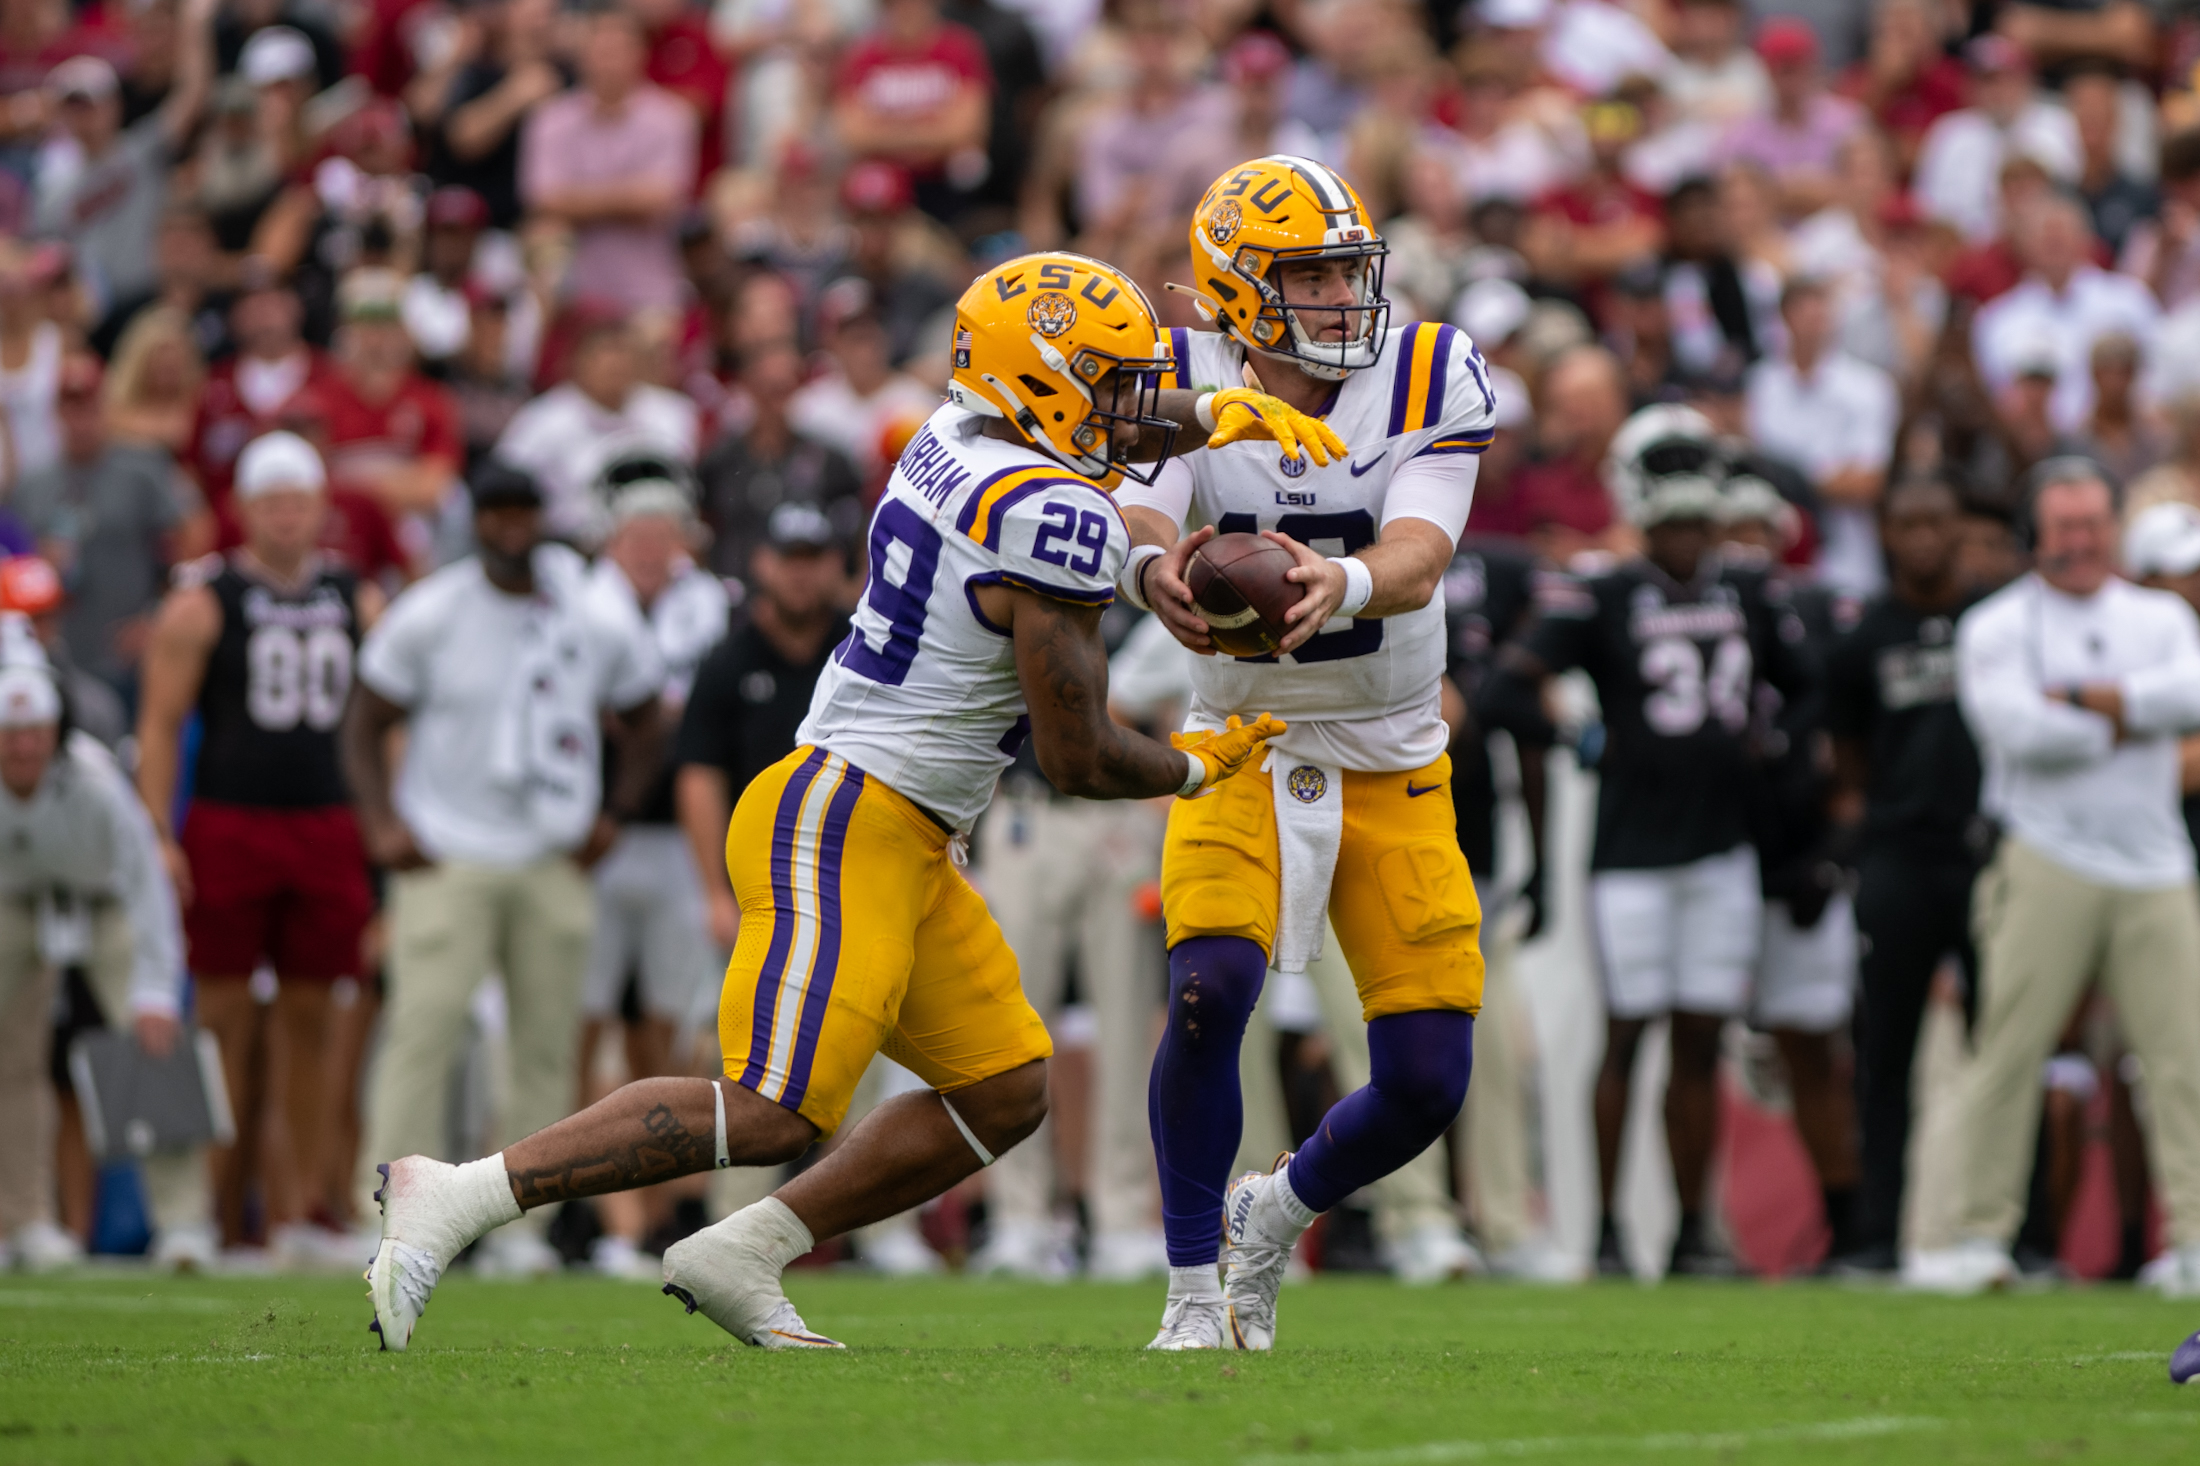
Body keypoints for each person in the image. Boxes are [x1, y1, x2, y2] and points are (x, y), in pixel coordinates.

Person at [363, 251, 1320, 1351]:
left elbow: (1095, 438)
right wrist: (1197, 764)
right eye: (1108, 382)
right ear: (1045, 385)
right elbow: (1079, 755)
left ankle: (745, 1248)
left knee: (1002, 1085)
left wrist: (1215, 410)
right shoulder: (1053, 516)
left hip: (903, 824)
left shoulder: (953, 433)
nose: (1131, 407)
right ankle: (462, 1191)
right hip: (849, 812)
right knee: (776, 1106)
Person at [1117, 156, 1494, 1349]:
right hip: (1239, 739)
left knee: (1429, 1073)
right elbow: (1139, 505)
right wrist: (1150, 568)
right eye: (1310, 274)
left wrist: (1341, 581)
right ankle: (1187, 1289)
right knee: (1204, 987)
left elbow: (1423, 552)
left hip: (1389, 744)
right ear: (1232, 289)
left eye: (1347, 267)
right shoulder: (1180, 376)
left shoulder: (1431, 367)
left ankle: (1271, 1212)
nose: (1341, 294)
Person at [1479, 469, 1813, 1278]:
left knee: (1701, 1038)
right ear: (1644, 527)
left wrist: (1771, 747)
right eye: (1674, 525)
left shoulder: (1749, 594)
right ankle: (1603, 1231)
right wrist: (1583, 738)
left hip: (1722, 848)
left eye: (1702, 523)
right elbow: (1504, 689)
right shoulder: (1607, 594)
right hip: (1630, 854)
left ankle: (1693, 1229)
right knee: (1628, 1034)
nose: (1690, 540)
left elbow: (1811, 692)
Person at [343, 460, 668, 1279]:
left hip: (552, 855)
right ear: (476, 521)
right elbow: (365, 715)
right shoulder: (434, 610)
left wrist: (616, 815)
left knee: (544, 1047)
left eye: (525, 510)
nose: (512, 526)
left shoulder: (591, 610)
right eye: (497, 512)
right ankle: (388, 1214)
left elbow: (648, 714)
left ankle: (521, 1228)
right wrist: (382, 823)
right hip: (446, 853)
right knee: (426, 1031)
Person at [1908, 462, 2200, 1296]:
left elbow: (2193, 694)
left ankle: (2193, 1238)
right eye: (2065, 526)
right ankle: (1977, 1235)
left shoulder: (2160, 615)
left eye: (2094, 523)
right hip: (2044, 856)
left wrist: (2083, 698)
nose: (2081, 542)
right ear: (2037, 534)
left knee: (2184, 1058)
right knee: (2008, 1050)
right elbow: (2016, 731)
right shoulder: (1997, 624)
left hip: (2155, 862)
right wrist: (2131, 719)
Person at [133, 431, 382, 1260]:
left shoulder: (359, 595)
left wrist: (384, 819)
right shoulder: (205, 600)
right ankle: (199, 1210)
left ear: (320, 507)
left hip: (325, 820)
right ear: (243, 509)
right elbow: (161, 724)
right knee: (220, 1017)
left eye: (298, 499)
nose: (284, 514)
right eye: (270, 500)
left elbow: (388, 721)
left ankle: (297, 1208)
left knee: (315, 1019)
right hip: (230, 820)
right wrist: (156, 833)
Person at [0, 619, 212, 1270]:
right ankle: (24, 1220)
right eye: (10, 735)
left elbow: (147, 884)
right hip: (13, 904)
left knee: (152, 1040)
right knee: (13, 1063)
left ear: (56, 731)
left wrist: (155, 989)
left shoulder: (95, 783)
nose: (24, 749)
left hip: (105, 907)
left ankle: (184, 1223)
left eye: (35, 732)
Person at [1820, 475, 1982, 1274]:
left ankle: (2022, 1237)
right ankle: (1880, 1237)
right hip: (1899, 858)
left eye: (1935, 521)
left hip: (1987, 856)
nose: (1922, 537)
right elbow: (1845, 755)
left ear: (1959, 529)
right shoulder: (1863, 637)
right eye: (1906, 523)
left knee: (2008, 1050)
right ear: (1885, 532)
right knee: (1887, 1052)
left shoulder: (1996, 622)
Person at [574, 452, 730, 1279]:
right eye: (636, 531)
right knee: (582, 1016)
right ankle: (597, 1210)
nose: (648, 545)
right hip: (593, 836)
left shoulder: (708, 608)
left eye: (662, 532)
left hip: (678, 836)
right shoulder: (577, 603)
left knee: (671, 1029)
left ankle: (654, 1210)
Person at [13, 355, 208, 699]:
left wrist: (158, 618)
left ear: (107, 407)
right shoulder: (32, 485)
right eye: (70, 410)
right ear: (55, 415)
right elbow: (13, 567)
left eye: (88, 408)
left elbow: (193, 539)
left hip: (130, 651)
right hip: (58, 653)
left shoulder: (143, 468)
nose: (80, 421)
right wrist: (38, 565)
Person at [30, 0, 211, 320]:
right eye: (73, 107)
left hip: (147, 295)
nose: (84, 117)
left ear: (113, 105)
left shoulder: (141, 151)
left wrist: (195, 24)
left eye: (90, 104)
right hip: (90, 315)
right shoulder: (52, 190)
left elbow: (192, 95)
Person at [517, 6, 695, 313]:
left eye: (617, 51)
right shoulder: (550, 119)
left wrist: (577, 201)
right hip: (575, 300)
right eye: (600, 51)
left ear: (639, 54)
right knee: (541, 237)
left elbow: (663, 197)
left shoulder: (671, 117)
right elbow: (543, 199)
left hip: (650, 295)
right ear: (582, 55)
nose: (608, 63)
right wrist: (629, 199)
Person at [1745, 276, 1899, 597]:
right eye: (1804, 311)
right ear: (1785, 317)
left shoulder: (1869, 387)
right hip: (1777, 560)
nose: (1815, 321)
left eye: (1822, 310)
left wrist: (1788, 477)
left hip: (1847, 564)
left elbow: (1866, 482)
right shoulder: (1761, 383)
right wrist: (1829, 476)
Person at [493, 314, 698, 543]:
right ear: (577, 362)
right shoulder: (542, 420)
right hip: (570, 549)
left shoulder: (674, 413)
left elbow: (689, 491)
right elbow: (503, 488)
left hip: (658, 547)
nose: (615, 364)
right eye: (604, 353)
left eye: (622, 353)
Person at [695, 338, 866, 583]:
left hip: (808, 601)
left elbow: (855, 533)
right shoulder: (718, 463)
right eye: (768, 391)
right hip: (736, 597)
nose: (776, 405)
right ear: (747, 388)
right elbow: (702, 535)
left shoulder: (830, 461)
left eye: (785, 390)